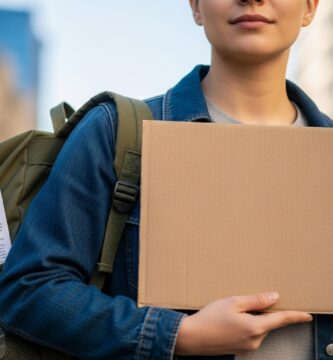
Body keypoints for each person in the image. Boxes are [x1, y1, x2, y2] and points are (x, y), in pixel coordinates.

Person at [0, 0, 331, 359]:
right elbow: (27, 289)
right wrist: (178, 335)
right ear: (196, 7)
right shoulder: (115, 133)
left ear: (310, 8)